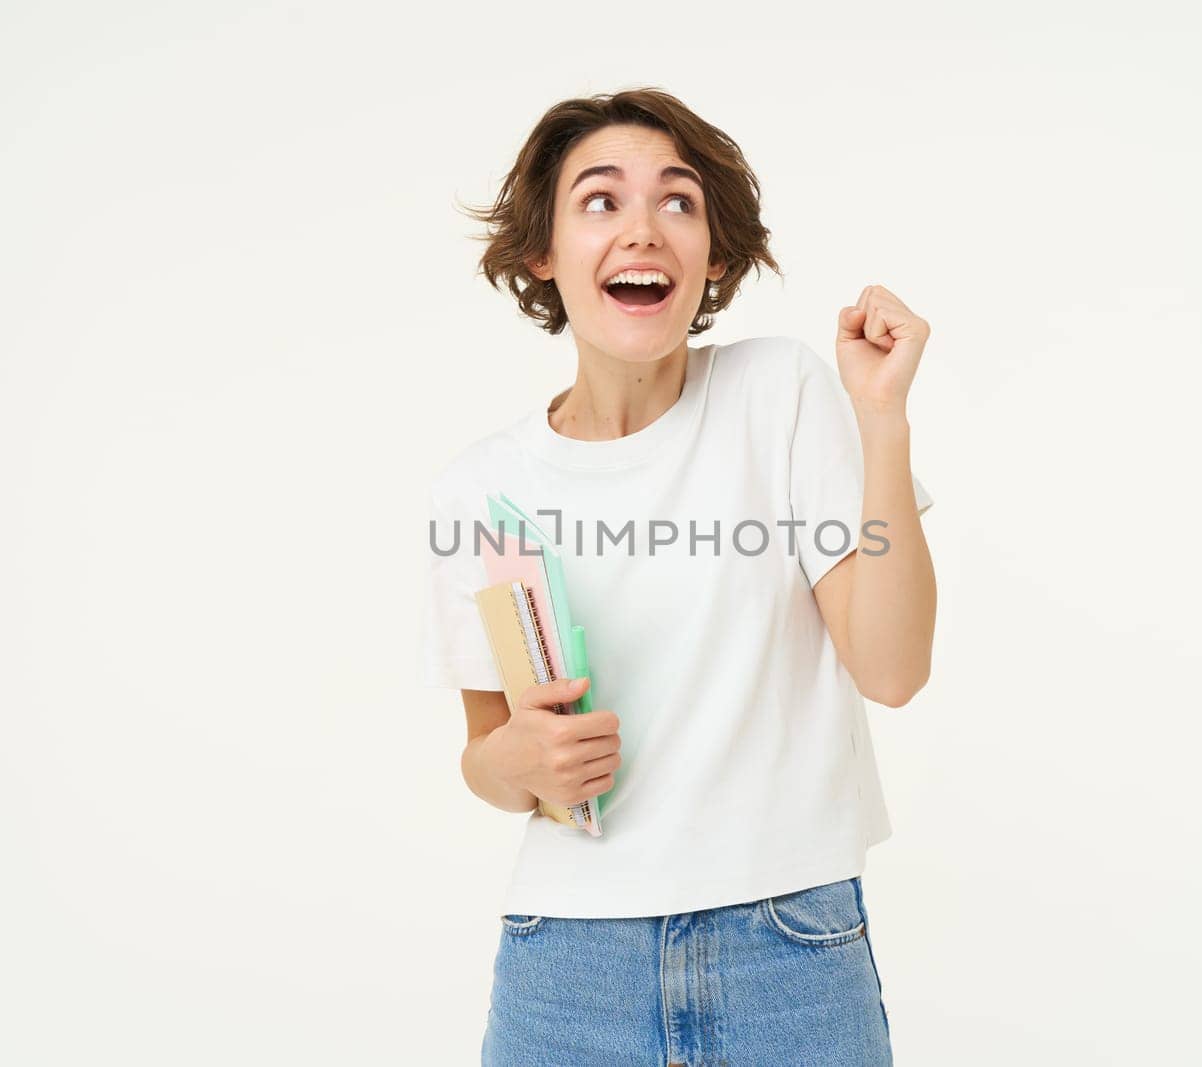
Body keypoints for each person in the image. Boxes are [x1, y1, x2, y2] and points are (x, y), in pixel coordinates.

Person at [422, 86, 937, 1065]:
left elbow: (893, 667)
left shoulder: (778, 394)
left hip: (788, 945)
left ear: (715, 255)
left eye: (678, 200)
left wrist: (882, 418)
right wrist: (524, 764)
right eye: (601, 200)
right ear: (543, 252)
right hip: (564, 964)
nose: (642, 228)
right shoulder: (480, 486)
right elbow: (483, 754)